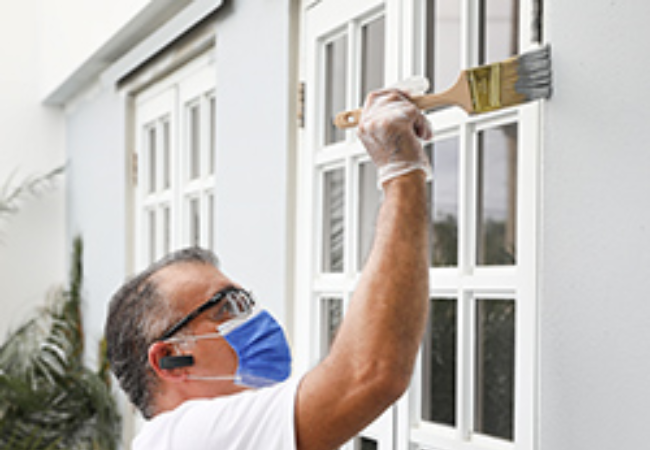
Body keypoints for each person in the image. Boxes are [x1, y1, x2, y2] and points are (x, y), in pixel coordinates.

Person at [105, 87, 433, 450]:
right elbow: (369, 374)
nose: (255, 318)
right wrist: (401, 171)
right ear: (170, 359)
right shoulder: (186, 437)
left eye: (247, 301)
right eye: (226, 306)